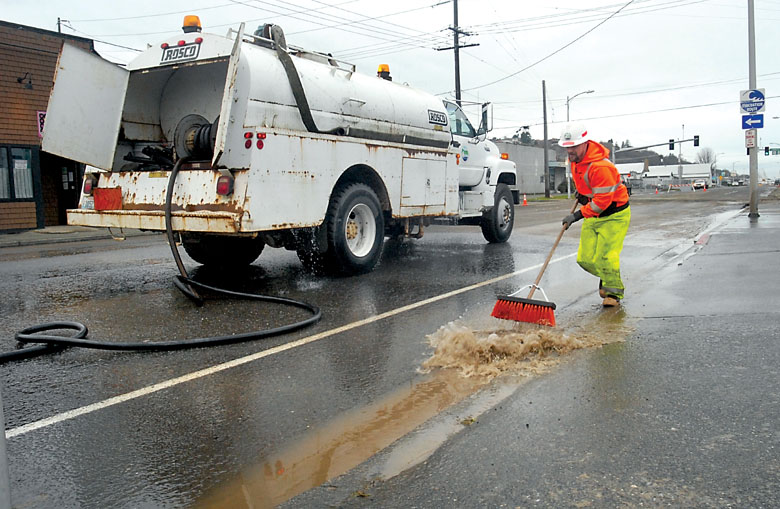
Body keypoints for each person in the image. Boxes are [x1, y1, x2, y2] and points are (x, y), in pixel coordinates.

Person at [558, 122, 631, 307]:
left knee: (606, 257)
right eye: (567, 147)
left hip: (614, 214)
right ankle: (607, 277)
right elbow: (589, 189)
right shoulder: (575, 162)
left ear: (584, 143)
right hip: (594, 213)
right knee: (584, 259)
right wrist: (582, 193)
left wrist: (576, 216)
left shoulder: (600, 167)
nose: (570, 151)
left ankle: (613, 294)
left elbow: (601, 202)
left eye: (573, 146)